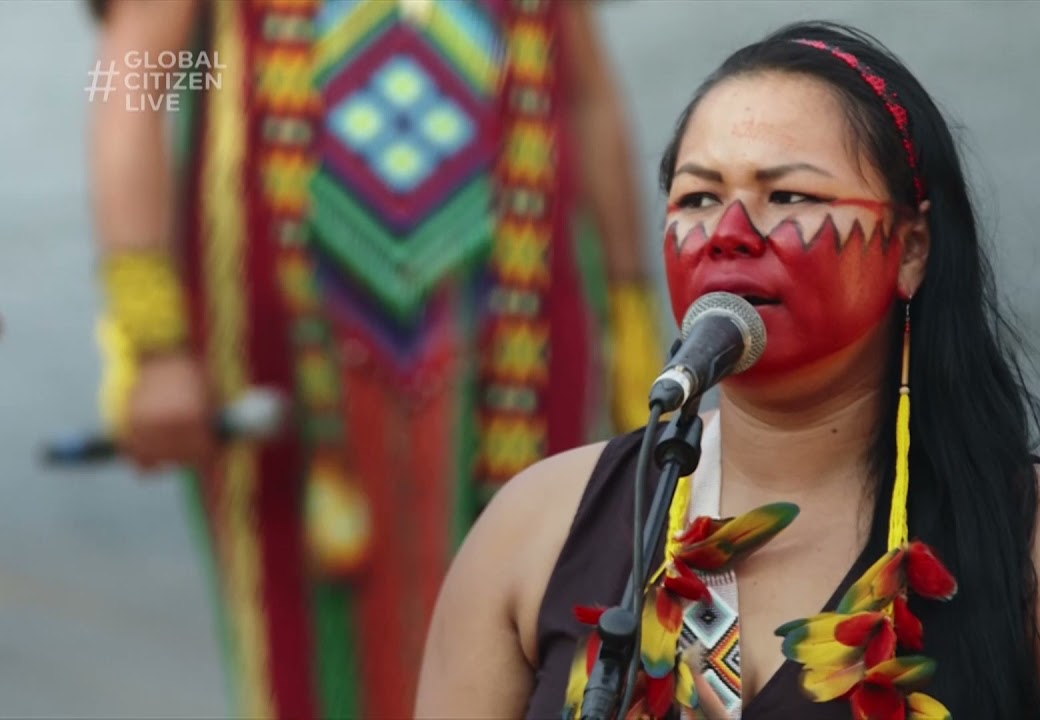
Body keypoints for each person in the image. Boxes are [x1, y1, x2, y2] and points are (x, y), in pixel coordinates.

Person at [416, 20, 1040, 720]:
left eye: (788, 195)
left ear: (911, 250)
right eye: (697, 199)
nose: (728, 232)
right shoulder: (533, 533)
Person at [85, 0, 663, 718]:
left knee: (529, 633)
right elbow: (133, 82)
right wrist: (152, 338)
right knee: (305, 659)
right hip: (287, 363)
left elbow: (584, 92)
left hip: (518, 339)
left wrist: (634, 316)